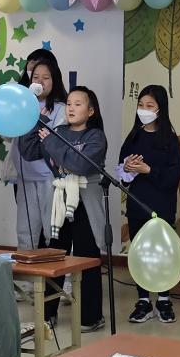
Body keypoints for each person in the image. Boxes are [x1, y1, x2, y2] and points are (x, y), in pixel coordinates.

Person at [33, 86, 110, 331]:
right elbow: (38, 155)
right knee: (53, 255)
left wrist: (54, 144)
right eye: (68, 103)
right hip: (61, 199)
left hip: (86, 200)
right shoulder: (57, 132)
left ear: (91, 111)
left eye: (78, 104)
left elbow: (79, 164)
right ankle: (48, 313)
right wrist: (34, 122)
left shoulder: (96, 136)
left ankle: (91, 316)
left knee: (87, 258)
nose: (71, 108)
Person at [118, 83, 180, 323]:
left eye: (149, 105)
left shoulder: (170, 140)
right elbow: (121, 172)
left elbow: (173, 175)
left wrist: (148, 170)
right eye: (140, 105)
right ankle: (143, 300)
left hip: (161, 206)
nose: (143, 110)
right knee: (140, 253)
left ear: (160, 109)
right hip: (137, 204)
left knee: (162, 253)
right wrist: (127, 168)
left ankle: (164, 299)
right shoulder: (133, 137)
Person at [4, 49, 66, 250]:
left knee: (52, 231)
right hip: (25, 177)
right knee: (25, 232)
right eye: (36, 77)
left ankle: (57, 270)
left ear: (54, 81)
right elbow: (8, 135)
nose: (40, 81)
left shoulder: (61, 108)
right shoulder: (22, 106)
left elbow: (56, 142)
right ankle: (27, 271)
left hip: (50, 179)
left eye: (46, 78)